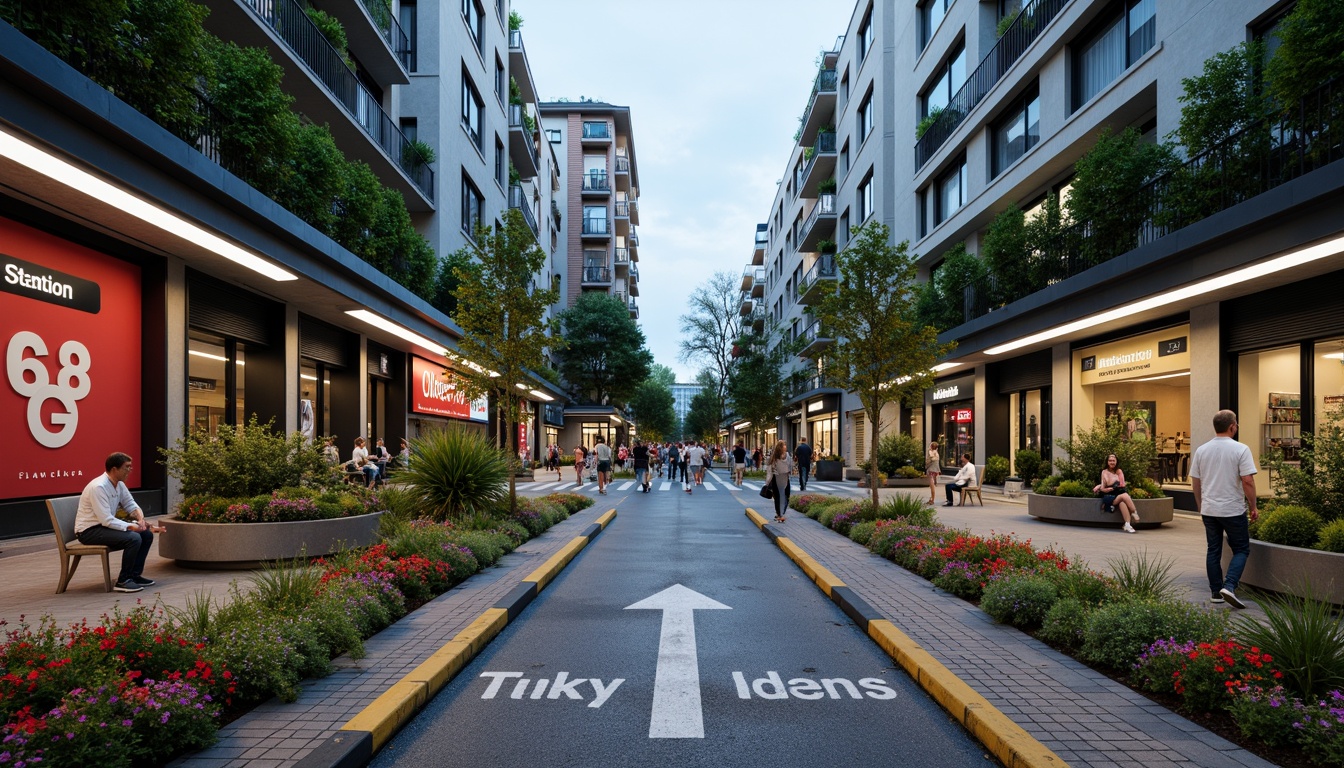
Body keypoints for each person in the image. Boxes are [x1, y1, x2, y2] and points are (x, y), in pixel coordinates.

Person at [1190, 409, 1258, 609]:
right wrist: (1253, 506)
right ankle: (1229, 585)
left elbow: (1196, 482)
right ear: (1232, 426)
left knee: (1213, 550)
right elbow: (1247, 480)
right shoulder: (1241, 449)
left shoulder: (1202, 450)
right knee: (1242, 549)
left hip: (1209, 510)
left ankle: (1215, 593)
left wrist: (1201, 506)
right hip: (1232, 510)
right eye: (1236, 424)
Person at [74, 452, 157, 593]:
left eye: (130, 467)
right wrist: (132, 527)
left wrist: (140, 520)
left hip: (104, 527)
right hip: (89, 531)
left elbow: (131, 504)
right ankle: (123, 581)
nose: (130, 470)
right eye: (127, 467)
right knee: (134, 538)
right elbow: (106, 519)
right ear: (114, 469)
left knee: (146, 534)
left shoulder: (119, 485)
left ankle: (134, 576)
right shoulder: (98, 487)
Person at [1093, 453, 1140, 533]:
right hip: (1110, 496)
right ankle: (1134, 512)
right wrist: (1102, 487)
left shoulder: (1119, 471)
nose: (1112, 462)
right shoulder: (1104, 472)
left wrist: (1114, 486)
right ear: (1107, 462)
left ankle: (1127, 524)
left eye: (1113, 461)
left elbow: (1122, 484)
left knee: (1122, 502)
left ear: (1116, 462)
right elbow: (1103, 487)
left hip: (1118, 493)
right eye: (1110, 460)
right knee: (1124, 495)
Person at [765, 440, 795, 523]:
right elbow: (770, 469)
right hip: (777, 477)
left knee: (786, 495)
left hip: (785, 477)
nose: (785, 447)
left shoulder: (788, 455)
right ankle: (780, 514)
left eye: (785, 445)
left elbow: (791, 465)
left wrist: (791, 471)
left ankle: (781, 513)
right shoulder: (774, 456)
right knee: (778, 496)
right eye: (783, 445)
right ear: (780, 447)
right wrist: (768, 481)